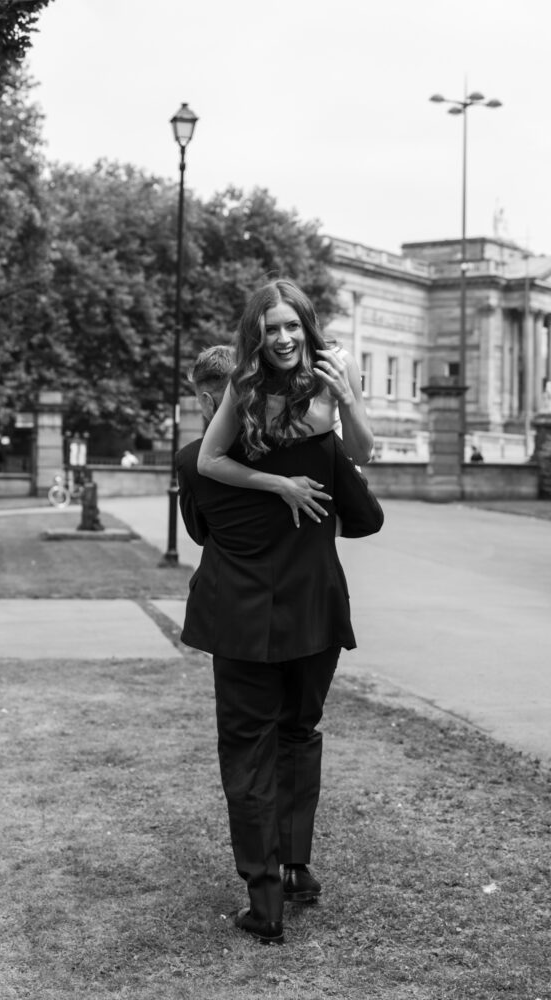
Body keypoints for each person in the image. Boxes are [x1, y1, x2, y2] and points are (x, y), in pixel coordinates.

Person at [177, 345, 384, 946]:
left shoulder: (197, 461)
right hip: (313, 614)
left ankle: (264, 901)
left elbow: (199, 530)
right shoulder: (318, 444)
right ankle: (297, 868)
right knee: (298, 734)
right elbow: (366, 518)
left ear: (217, 398)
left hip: (238, 618)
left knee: (247, 752)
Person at [197, 279, 375, 528]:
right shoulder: (246, 381)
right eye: (271, 330)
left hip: (327, 504)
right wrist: (282, 485)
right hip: (271, 506)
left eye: (293, 326)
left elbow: (362, 454)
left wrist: (345, 398)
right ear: (256, 335)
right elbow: (207, 460)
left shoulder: (339, 366)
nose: (284, 339)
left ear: (307, 327)